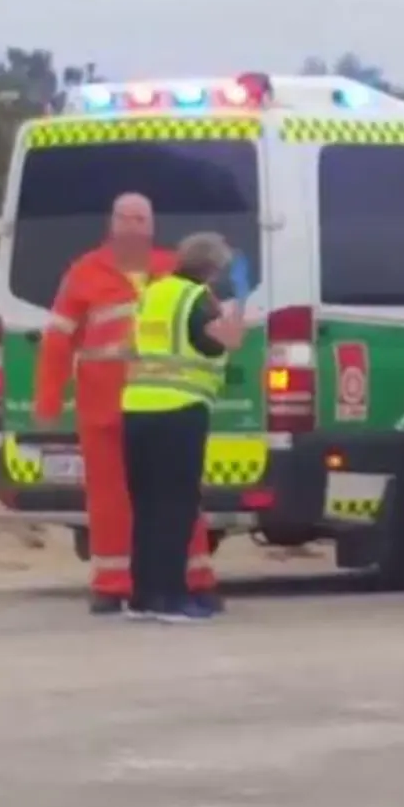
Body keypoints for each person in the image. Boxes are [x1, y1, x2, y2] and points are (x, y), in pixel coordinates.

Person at [34, 193, 222, 614]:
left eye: (142, 219)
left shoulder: (173, 269)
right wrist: (48, 397)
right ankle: (112, 582)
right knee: (109, 499)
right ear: (112, 224)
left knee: (177, 498)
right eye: (127, 218)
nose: (134, 226)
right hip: (102, 407)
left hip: (161, 403)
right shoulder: (84, 274)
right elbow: (59, 338)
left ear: (152, 225)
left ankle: (195, 578)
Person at [120, 233, 248, 623]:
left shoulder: (153, 293)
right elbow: (229, 340)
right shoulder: (197, 299)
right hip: (178, 412)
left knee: (145, 507)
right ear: (212, 269)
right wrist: (240, 297)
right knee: (175, 507)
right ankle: (172, 597)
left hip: (136, 410)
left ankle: (143, 597)